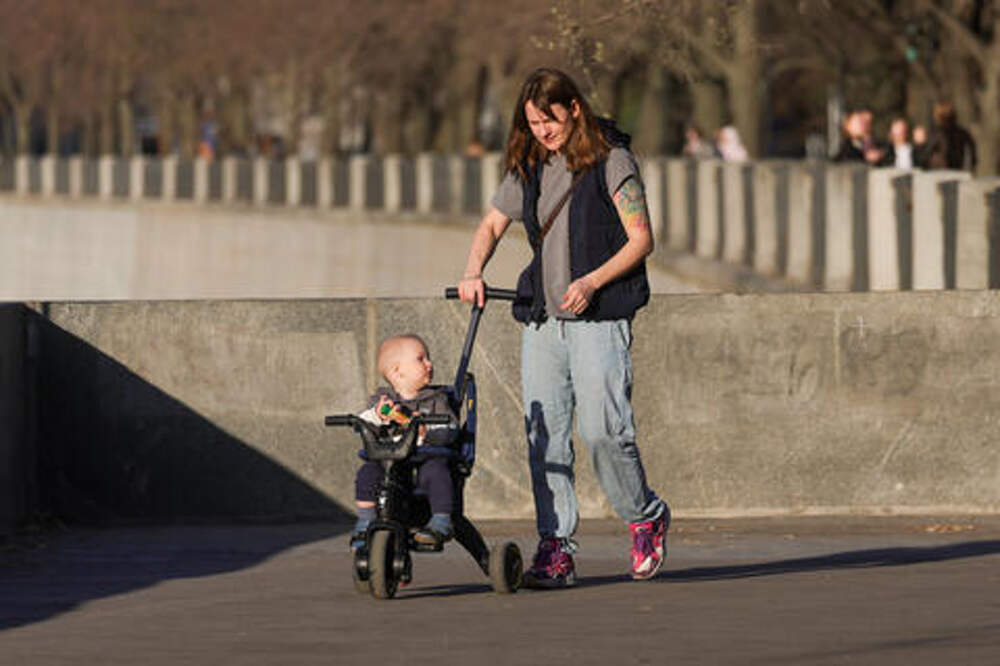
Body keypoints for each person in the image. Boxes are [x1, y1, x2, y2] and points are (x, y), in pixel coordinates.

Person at [457, 67, 669, 587]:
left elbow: (641, 239)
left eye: (549, 120)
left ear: (574, 109)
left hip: (598, 316)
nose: (543, 131)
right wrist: (472, 271)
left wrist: (592, 281)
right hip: (543, 319)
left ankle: (644, 515)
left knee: (603, 430)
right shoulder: (530, 164)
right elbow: (492, 223)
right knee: (544, 437)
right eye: (533, 123)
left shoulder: (612, 160)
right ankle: (555, 547)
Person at [351, 334, 460, 550]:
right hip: (390, 463)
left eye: (428, 358)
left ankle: (441, 520)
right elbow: (361, 423)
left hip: (425, 458)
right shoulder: (381, 400)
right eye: (421, 359)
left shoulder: (436, 400)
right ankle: (365, 520)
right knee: (367, 474)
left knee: (437, 473)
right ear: (397, 372)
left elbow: (451, 428)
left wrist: (427, 430)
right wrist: (378, 415)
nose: (429, 364)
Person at [924, 101, 977, 172]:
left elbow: (927, 153)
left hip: (941, 171)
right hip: (955, 169)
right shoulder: (962, 132)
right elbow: (972, 151)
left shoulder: (937, 133)